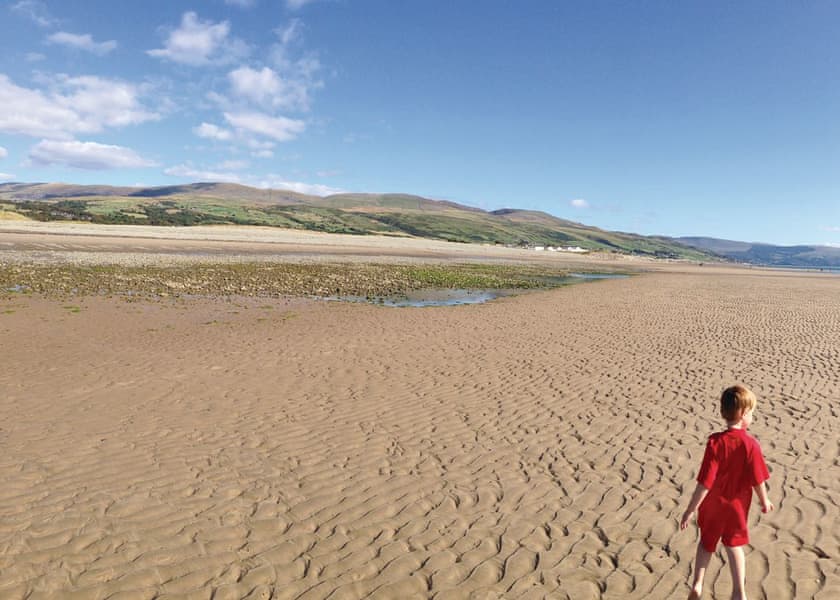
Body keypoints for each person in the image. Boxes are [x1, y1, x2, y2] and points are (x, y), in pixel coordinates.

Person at [680, 385, 774, 600]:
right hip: (736, 507)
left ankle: (697, 584)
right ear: (742, 415)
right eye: (751, 413)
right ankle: (738, 592)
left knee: (706, 543)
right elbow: (757, 480)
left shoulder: (714, 442)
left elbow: (705, 482)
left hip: (712, 505)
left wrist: (690, 510)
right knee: (734, 546)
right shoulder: (751, 445)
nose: (752, 417)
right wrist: (765, 500)